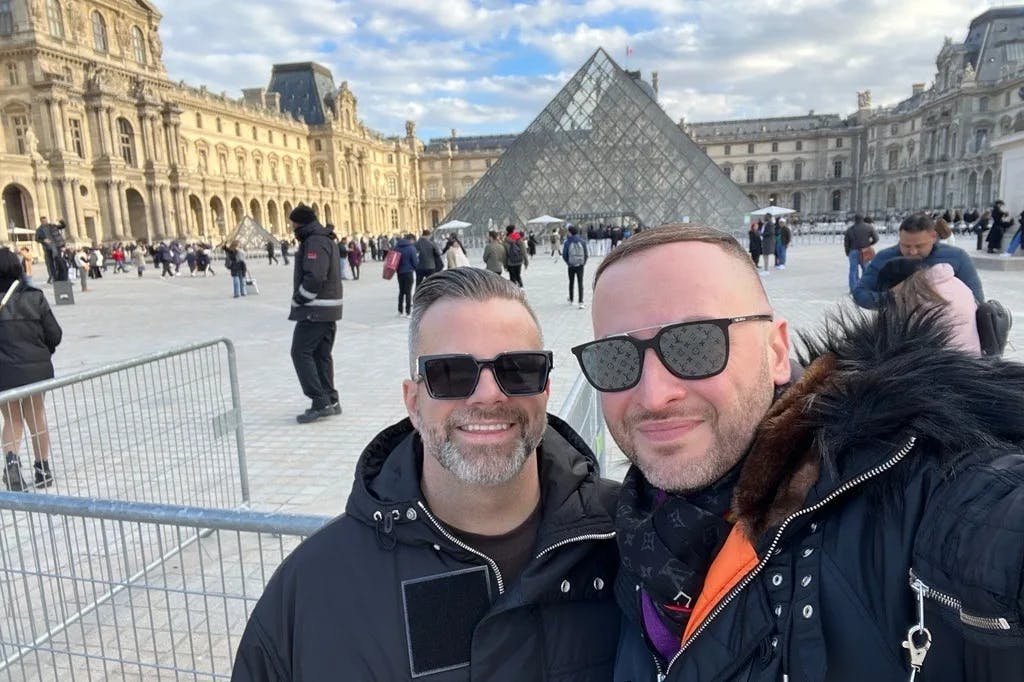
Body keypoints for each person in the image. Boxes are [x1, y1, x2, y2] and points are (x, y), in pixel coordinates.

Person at [572, 224, 1024, 681]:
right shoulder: (616, 539)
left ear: (776, 349)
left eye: (695, 343)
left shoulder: (913, 495)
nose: (653, 395)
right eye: (615, 358)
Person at [233, 268, 620, 681]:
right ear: (413, 402)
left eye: (519, 369)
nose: (489, 394)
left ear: (545, 389)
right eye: (450, 373)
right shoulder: (311, 591)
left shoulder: (632, 541)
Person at [0, 248, 61, 490]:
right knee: (37, 416)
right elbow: (55, 335)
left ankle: (12, 465)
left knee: (12, 419)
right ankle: (42, 469)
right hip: (35, 369)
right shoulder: (34, 297)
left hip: (3, 371)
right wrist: (41, 351)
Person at [853, 212, 984, 310]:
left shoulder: (957, 257)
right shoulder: (884, 258)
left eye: (919, 246)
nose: (912, 252)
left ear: (933, 237)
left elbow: (977, 301)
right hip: (896, 334)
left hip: (944, 333)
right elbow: (860, 293)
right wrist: (892, 298)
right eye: (906, 245)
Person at [287, 204, 343, 424]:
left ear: (300, 223)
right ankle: (330, 398)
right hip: (328, 309)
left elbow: (315, 276)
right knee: (321, 355)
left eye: (293, 223)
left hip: (315, 310)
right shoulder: (324, 238)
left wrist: (300, 298)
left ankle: (319, 401)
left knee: (300, 352)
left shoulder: (314, 241)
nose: (292, 227)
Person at [843, 213, 878, 292]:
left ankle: (853, 288)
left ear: (855, 220)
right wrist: (869, 244)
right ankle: (865, 286)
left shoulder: (850, 229)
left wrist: (847, 252)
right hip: (865, 250)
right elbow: (876, 238)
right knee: (866, 269)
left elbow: (846, 242)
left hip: (853, 251)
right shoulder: (869, 227)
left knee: (853, 271)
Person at [562, 225, 588, 309]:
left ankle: (571, 299)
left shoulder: (567, 242)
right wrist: (583, 263)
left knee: (571, 282)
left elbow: (564, 255)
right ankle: (581, 302)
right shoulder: (582, 241)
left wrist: (568, 263)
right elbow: (586, 254)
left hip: (571, 265)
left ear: (570, 232)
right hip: (580, 265)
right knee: (580, 283)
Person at [393, 232, 419, 317]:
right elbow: (415, 262)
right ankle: (408, 312)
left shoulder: (396, 247)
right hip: (408, 272)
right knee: (408, 292)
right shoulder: (411, 248)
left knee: (401, 291)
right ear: (411, 239)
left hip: (399, 272)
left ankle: (400, 311)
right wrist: (416, 268)